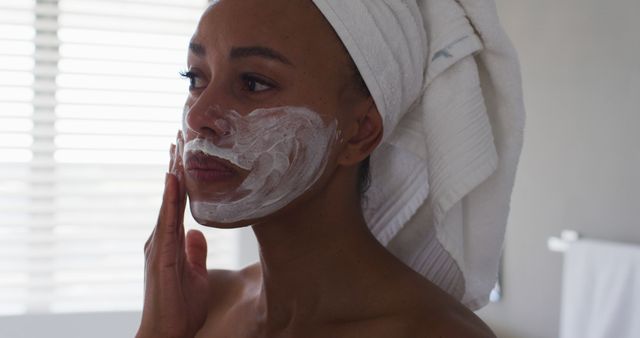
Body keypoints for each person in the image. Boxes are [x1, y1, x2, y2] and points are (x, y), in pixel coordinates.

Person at [137, 0, 525, 337]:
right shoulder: (203, 307)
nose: (200, 116)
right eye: (195, 77)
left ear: (360, 131)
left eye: (254, 83)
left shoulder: (437, 334)